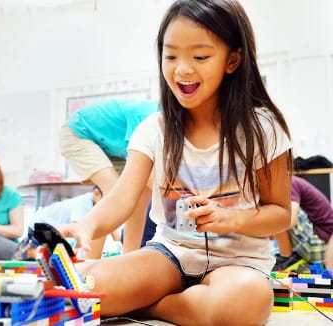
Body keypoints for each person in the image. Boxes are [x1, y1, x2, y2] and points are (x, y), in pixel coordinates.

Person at [59, 0, 292, 324]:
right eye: (171, 56)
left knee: (247, 302)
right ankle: (173, 302)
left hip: (238, 263)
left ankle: (149, 305)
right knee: (76, 287)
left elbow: (280, 215)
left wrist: (228, 219)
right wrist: (87, 225)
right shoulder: (154, 129)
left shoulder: (262, 128)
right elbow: (122, 199)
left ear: (233, 59)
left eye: (200, 57)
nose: (182, 69)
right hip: (170, 256)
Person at [60, 99, 158, 257]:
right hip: (79, 133)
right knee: (116, 192)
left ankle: (129, 259)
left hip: (112, 148)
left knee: (139, 194)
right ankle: (91, 261)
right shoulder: (147, 116)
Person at [272, 176, 333, 270]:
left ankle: (287, 257)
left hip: (321, 247)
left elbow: (290, 221)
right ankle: (287, 255)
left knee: (277, 211)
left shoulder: (287, 182)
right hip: (323, 248)